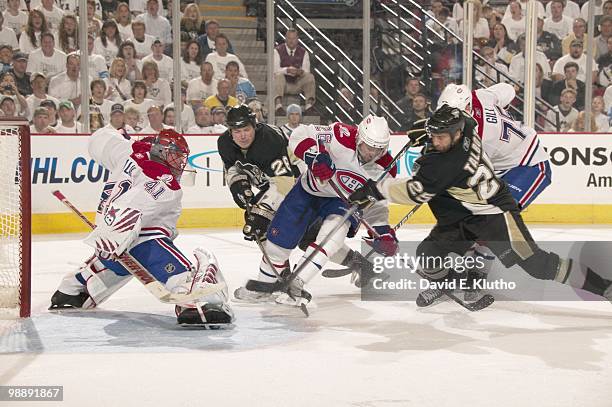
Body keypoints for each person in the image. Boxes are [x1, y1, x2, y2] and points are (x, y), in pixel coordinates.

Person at [347, 105, 612, 308]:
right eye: (434, 137)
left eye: (440, 138)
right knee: (427, 255)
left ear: (456, 133)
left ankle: (604, 287)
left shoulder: (446, 164)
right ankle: (459, 281)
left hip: (497, 216)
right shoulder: (469, 130)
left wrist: (374, 190)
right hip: (466, 213)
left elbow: (415, 192)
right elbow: (464, 118)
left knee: (537, 264)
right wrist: (428, 131)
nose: (436, 142)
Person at [48, 128, 234, 327]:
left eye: (181, 158)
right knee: (195, 266)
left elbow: (99, 140)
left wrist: (109, 239)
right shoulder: (162, 181)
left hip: (111, 251)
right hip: (137, 244)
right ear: (161, 151)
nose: (179, 163)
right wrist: (113, 237)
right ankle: (196, 304)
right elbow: (134, 205)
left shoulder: (127, 150)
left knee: (115, 262)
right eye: (174, 155)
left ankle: (73, 290)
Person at [233, 113, 398, 305]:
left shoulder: (386, 168)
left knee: (330, 238)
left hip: (342, 202)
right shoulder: (340, 134)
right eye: (368, 147)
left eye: (378, 150)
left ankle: (296, 284)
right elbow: (301, 133)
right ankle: (263, 287)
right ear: (359, 138)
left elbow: (376, 205)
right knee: (278, 241)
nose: (372, 154)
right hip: (309, 191)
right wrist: (314, 156)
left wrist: (383, 232)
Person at [273, 28, 315, 115]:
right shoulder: (277, 51)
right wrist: (287, 70)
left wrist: (299, 72)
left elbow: (306, 71)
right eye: (289, 38)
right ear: (285, 38)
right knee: (278, 75)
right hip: (283, 84)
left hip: (297, 83)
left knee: (310, 76)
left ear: (297, 39)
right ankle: (278, 106)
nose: (291, 41)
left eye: (293, 38)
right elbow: (274, 70)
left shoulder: (304, 52)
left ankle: (309, 106)